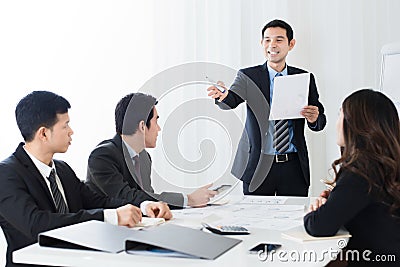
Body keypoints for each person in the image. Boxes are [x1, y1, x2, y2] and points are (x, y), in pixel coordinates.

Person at [0, 91, 172, 267]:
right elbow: (36, 224)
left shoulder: (62, 170)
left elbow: (97, 201)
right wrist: (110, 217)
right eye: (65, 125)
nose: (71, 132)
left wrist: (143, 207)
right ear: (43, 133)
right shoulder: (6, 174)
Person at [207, 19, 326, 196]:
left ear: (290, 44)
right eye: (267, 40)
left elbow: (319, 119)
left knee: (292, 219)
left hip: (293, 167)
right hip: (258, 165)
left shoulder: (304, 77)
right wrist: (222, 97)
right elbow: (231, 100)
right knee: (255, 220)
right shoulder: (248, 76)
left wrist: (314, 118)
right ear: (262, 43)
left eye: (279, 40)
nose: (272, 45)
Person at [304, 89, 400, 266]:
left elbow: (319, 225)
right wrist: (336, 199)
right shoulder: (384, 164)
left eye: (340, 114)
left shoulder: (361, 170)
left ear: (355, 124)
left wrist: (313, 212)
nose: (336, 123)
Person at [86, 93, 217, 208]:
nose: (158, 129)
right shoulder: (102, 156)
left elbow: (147, 197)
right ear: (142, 126)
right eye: (156, 121)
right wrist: (188, 199)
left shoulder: (143, 157)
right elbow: (128, 198)